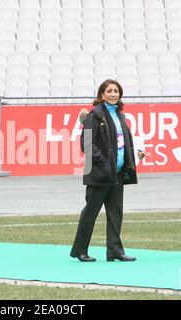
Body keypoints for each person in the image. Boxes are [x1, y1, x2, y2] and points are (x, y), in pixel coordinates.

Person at [70, 79, 147, 262]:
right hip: (99, 174)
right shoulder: (93, 116)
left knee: (115, 213)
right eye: (109, 91)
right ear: (102, 94)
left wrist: (135, 153)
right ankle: (80, 250)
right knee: (90, 212)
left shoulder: (121, 116)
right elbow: (86, 144)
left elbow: (121, 143)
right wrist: (105, 162)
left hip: (117, 174)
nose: (113, 94)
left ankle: (115, 251)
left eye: (116, 91)